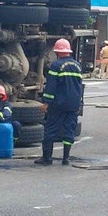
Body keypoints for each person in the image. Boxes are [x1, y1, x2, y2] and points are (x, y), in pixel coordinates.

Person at [36, 38, 83, 166]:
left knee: (51, 129)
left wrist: (46, 102)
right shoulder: (78, 66)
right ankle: (66, 158)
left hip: (59, 104)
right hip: (74, 104)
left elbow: (51, 87)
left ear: (57, 52)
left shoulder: (56, 66)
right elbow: (79, 86)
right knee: (69, 130)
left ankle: (47, 158)